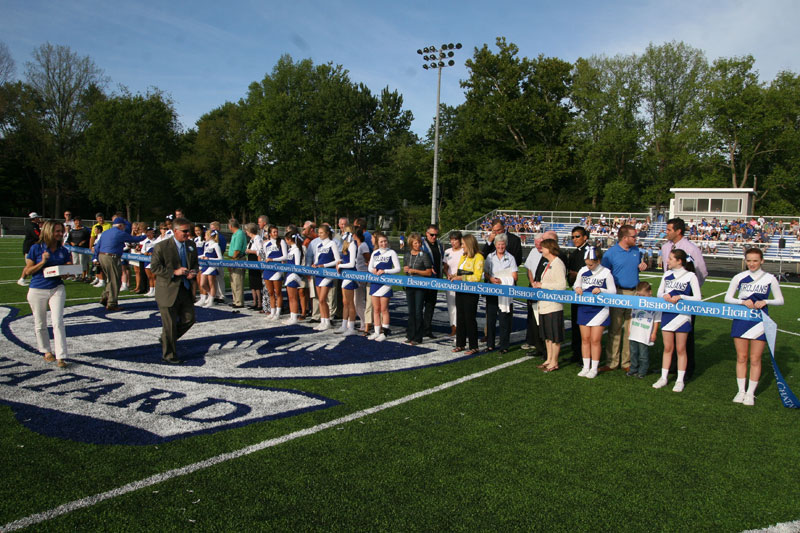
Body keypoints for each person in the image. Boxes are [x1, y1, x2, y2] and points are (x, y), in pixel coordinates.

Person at [724, 248, 784, 406]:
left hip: (760, 320)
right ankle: (741, 391)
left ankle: (750, 393)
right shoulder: (739, 277)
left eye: (755, 260)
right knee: (742, 357)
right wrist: (742, 302)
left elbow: (780, 300)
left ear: (762, 261)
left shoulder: (769, 278)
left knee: (755, 358)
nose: (752, 263)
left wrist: (766, 301)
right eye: (749, 260)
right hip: (741, 318)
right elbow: (728, 298)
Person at [661, 217, 708, 380]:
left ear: (678, 231)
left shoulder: (691, 249)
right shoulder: (666, 247)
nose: (666, 232)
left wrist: (689, 291)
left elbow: (701, 272)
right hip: (668, 299)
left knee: (685, 337)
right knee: (669, 337)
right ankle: (670, 368)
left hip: (685, 300)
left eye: (668, 230)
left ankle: (687, 370)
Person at [150, 217, 199, 364]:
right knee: (169, 325)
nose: (187, 234)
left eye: (188, 231)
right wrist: (174, 272)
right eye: (184, 231)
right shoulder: (162, 246)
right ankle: (169, 355)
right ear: (175, 231)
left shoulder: (191, 245)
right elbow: (155, 268)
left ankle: (167, 338)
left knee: (190, 319)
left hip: (185, 289)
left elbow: (195, 264)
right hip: (168, 290)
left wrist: (194, 272)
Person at [23, 220, 72, 368]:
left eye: (60, 231)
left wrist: (67, 271)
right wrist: (43, 262)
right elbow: (28, 271)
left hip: (57, 288)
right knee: (40, 323)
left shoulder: (63, 250)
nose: (59, 234)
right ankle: (46, 351)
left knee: (57, 322)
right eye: (56, 231)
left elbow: (68, 266)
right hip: (37, 289)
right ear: (48, 231)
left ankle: (61, 356)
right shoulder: (36, 248)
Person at [652, 249, 702, 392]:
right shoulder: (667, 274)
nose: (667, 261)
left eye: (670, 258)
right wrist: (665, 295)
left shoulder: (690, 276)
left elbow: (698, 298)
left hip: (683, 315)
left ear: (679, 261)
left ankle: (680, 380)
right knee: (668, 348)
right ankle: (663, 377)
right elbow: (659, 293)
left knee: (681, 349)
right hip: (668, 314)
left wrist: (681, 297)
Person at [600, 224, 647, 372]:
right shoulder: (611, 253)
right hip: (618, 294)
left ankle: (626, 362)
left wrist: (644, 265)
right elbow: (603, 274)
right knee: (615, 329)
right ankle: (612, 361)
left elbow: (639, 265)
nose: (636, 239)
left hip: (634, 293)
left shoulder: (636, 250)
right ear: (625, 237)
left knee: (630, 330)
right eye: (634, 236)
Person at [573, 247, 616, 379]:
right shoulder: (583, 270)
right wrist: (578, 288)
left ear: (598, 261)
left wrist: (602, 290)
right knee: (585, 339)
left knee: (595, 340)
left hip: (600, 309)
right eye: (586, 263)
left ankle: (594, 368)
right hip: (584, 307)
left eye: (591, 264)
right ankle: (586, 366)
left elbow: (613, 291)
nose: (588, 266)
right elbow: (576, 285)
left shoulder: (606, 272)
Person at [96, 217, 147, 311]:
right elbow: (133, 239)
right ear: (120, 225)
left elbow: (97, 246)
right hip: (111, 257)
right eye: (123, 226)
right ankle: (112, 303)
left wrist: (95, 258)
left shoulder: (106, 232)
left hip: (102, 256)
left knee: (111, 278)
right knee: (115, 280)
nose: (124, 228)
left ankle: (105, 296)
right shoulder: (119, 233)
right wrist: (145, 235)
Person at [532, 239, 567, 372]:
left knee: (554, 336)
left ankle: (554, 362)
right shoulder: (549, 263)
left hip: (553, 305)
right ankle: (549, 359)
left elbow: (562, 285)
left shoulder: (558, 263)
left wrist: (543, 285)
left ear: (549, 249)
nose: (541, 249)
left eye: (543, 247)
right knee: (547, 335)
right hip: (544, 304)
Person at [484, 233, 518, 353]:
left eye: (503, 244)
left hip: (505, 292)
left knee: (504, 320)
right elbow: (486, 273)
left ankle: (504, 346)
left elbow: (515, 276)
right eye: (498, 244)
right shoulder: (489, 257)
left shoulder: (511, 258)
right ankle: (490, 344)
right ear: (495, 244)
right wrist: (491, 279)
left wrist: (503, 280)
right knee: (491, 319)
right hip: (492, 291)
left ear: (506, 245)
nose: (500, 247)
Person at [451, 234, 484, 355]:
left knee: (470, 318)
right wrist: (454, 276)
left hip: (471, 292)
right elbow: (460, 271)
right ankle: (460, 344)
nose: (462, 246)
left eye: (463, 244)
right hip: (460, 290)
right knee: (460, 317)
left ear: (469, 244)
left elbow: (477, 276)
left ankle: (474, 346)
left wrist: (461, 277)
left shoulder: (478, 257)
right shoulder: (463, 256)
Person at [368, 232, 400, 342]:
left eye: (385, 241)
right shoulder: (375, 253)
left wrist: (384, 271)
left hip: (386, 283)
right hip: (375, 283)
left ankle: (385, 333)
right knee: (376, 309)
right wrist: (373, 270)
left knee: (384, 309)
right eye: (381, 241)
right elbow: (369, 267)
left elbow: (397, 269)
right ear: (378, 243)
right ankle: (377, 332)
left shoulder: (392, 252)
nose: (383, 243)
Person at [403, 233, 433, 345]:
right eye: (415, 243)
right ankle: (410, 334)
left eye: (419, 242)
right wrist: (406, 270)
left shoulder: (424, 255)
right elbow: (406, 269)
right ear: (411, 243)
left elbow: (428, 272)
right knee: (411, 311)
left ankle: (418, 337)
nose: (418, 245)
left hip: (420, 285)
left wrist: (415, 271)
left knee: (418, 311)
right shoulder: (407, 255)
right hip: (410, 284)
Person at [628, 281, 661, 379]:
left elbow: (657, 320)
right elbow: (631, 316)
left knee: (643, 354)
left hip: (645, 333)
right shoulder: (636, 301)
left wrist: (654, 333)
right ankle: (633, 369)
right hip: (634, 331)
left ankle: (642, 371)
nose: (641, 297)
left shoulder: (655, 304)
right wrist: (629, 327)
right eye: (639, 295)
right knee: (633, 352)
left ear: (650, 292)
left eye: (643, 295)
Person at [567, 226, 590, 364]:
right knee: (575, 324)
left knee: (584, 326)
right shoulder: (575, 253)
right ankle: (576, 353)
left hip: (586, 294)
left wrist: (577, 275)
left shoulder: (590, 252)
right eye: (573, 237)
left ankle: (584, 356)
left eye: (577, 236)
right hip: (575, 292)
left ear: (585, 237)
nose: (574, 239)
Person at [312, 225, 341, 331]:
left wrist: (324, 265)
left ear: (327, 233)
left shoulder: (332, 244)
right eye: (318, 233)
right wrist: (314, 264)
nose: (319, 235)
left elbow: (337, 260)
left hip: (328, 273)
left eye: (321, 233)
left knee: (322, 299)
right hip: (319, 273)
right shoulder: (318, 245)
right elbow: (317, 259)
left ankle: (327, 321)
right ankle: (323, 321)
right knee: (320, 301)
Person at [420, 224, 444, 339]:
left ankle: (427, 329)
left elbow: (441, 260)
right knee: (419, 306)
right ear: (426, 233)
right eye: (432, 235)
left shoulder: (439, 245)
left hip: (434, 280)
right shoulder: (421, 244)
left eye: (436, 235)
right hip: (423, 279)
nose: (434, 237)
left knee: (430, 305)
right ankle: (418, 328)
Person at [336, 225, 360, 335]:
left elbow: (351, 263)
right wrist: (340, 262)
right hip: (345, 276)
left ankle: (351, 327)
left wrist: (340, 266)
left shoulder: (352, 245)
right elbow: (346, 260)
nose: (341, 233)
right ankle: (344, 325)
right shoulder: (346, 245)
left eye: (343, 231)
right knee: (345, 302)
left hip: (350, 276)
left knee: (350, 303)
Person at [262, 225, 289, 320]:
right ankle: (272, 311)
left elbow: (285, 256)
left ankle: (278, 312)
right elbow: (266, 257)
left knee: (278, 292)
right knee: (270, 292)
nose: (276, 233)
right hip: (268, 269)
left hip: (277, 269)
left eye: (276, 232)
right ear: (269, 233)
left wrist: (273, 259)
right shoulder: (266, 244)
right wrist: (269, 260)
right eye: (274, 232)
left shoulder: (281, 242)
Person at [442, 231, 464, 337]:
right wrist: (448, 274)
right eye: (451, 239)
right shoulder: (447, 251)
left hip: (462, 281)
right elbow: (445, 267)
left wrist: (458, 276)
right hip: (450, 282)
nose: (453, 242)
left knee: (461, 305)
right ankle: (453, 327)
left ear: (460, 240)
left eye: (455, 239)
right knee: (451, 305)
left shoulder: (464, 251)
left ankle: (461, 327)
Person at [283, 230, 307, 325]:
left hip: (293, 275)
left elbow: (297, 264)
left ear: (289, 240)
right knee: (290, 297)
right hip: (289, 274)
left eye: (286, 240)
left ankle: (294, 317)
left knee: (293, 297)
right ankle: (292, 315)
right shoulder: (291, 249)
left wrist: (293, 273)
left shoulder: (296, 249)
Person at [197, 229, 223, 308]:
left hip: (212, 266)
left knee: (211, 283)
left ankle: (211, 300)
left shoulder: (216, 245)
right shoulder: (206, 244)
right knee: (202, 284)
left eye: (205, 235)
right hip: (205, 266)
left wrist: (209, 259)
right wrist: (199, 257)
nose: (204, 237)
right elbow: (204, 254)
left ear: (210, 236)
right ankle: (210, 295)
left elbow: (220, 258)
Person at [353, 230, 371, 334]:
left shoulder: (363, 246)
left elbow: (368, 259)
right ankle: (363, 322)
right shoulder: (358, 246)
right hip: (358, 274)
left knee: (360, 300)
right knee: (358, 301)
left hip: (362, 274)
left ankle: (365, 323)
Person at [18, 212, 42, 286]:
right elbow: (37, 236)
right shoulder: (33, 226)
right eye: (37, 217)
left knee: (33, 264)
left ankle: (24, 279)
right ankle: (22, 279)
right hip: (30, 248)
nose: (39, 219)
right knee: (30, 265)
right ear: (34, 218)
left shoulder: (30, 225)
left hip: (30, 247)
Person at [227, 218, 247, 309]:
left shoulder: (239, 234)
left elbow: (237, 249)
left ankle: (239, 301)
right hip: (234, 258)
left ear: (231, 226)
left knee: (237, 281)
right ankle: (235, 300)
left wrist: (233, 259)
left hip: (238, 259)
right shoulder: (235, 234)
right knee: (233, 281)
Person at [244, 223, 264, 311]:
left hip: (255, 260)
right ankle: (254, 301)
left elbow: (260, 251)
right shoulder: (251, 239)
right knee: (252, 283)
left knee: (257, 283)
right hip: (250, 260)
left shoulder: (257, 238)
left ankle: (260, 302)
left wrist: (250, 251)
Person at [67, 215, 90, 282]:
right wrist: (71, 243)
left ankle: (84, 276)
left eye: (79, 221)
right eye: (76, 221)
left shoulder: (85, 230)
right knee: (75, 261)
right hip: (74, 248)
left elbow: (88, 238)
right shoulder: (72, 230)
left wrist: (83, 242)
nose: (77, 222)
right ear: (74, 222)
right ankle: (77, 276)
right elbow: (69, 239)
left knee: (82, 261)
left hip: (82, 248)